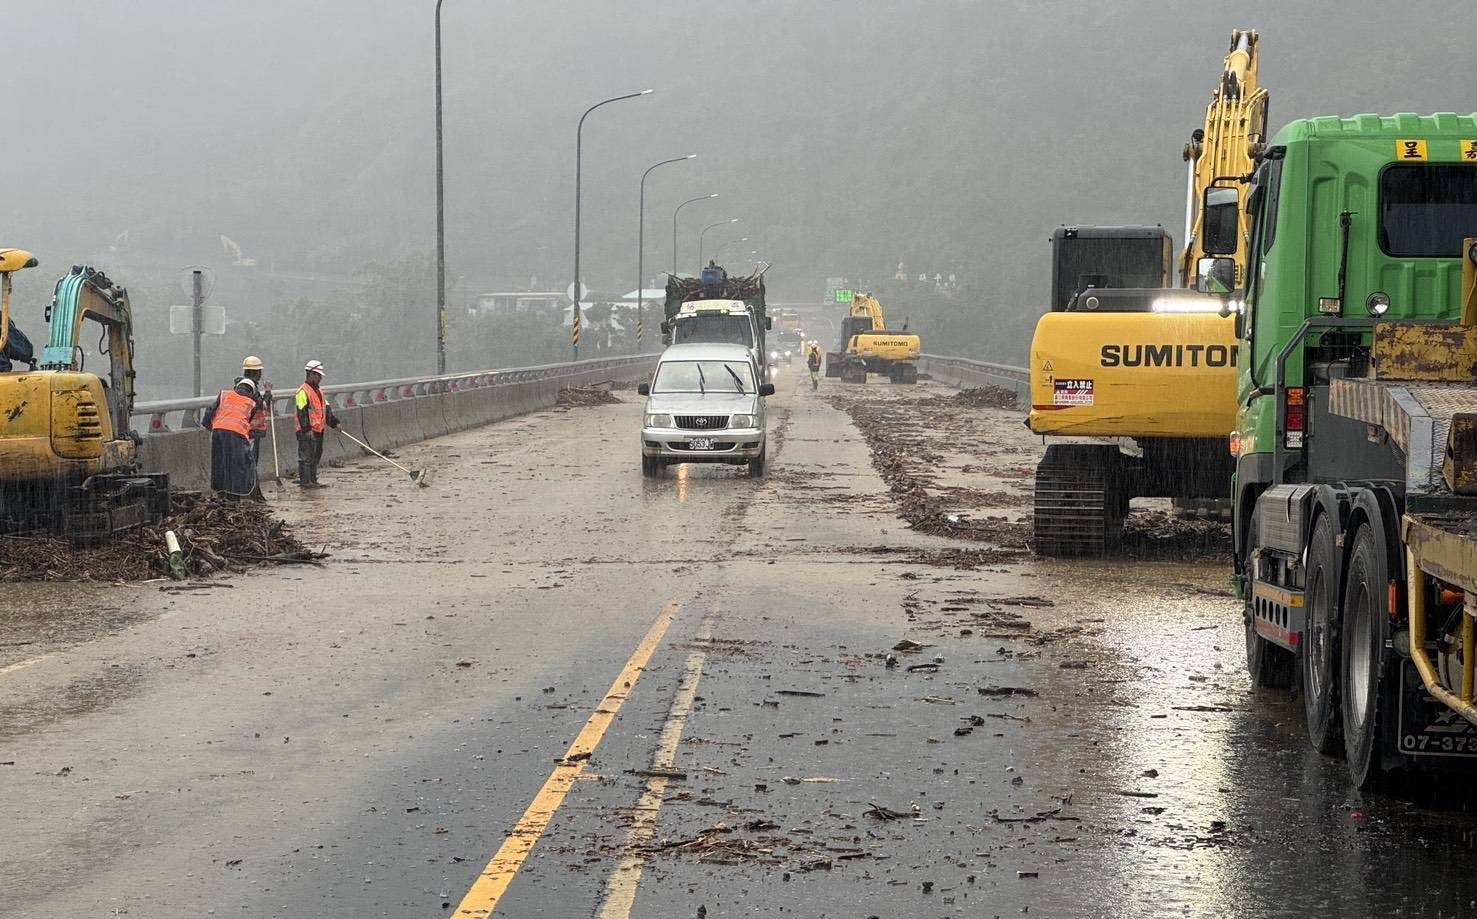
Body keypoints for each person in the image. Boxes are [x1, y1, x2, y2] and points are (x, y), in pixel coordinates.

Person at [201, 378, 261, 498]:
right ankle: (234, 495)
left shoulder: (224, 394)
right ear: (251, 391)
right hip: (237, 434)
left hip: (218, 431)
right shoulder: (251, 403)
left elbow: (210, 411)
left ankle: (221, 493)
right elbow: (248, 422)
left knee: (219, 463)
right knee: (237, 465)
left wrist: (208, 425)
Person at [295, 359, 339, 489]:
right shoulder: (303, 391)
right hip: (306, 431)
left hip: (319, 429)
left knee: (316, 455)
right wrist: (307, 429)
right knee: (306, 457)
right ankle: (305, 482)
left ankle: (313, 480)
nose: (320, 378)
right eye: (318, 375)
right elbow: (301, 412)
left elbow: (326, 410)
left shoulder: (320, 392)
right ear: (310, 374)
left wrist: (334, 423)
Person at [238, 355, 271, 497]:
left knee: (250, 462)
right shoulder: (246, 387)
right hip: (249, 432)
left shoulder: (248, 387)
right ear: (258, 372)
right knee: (249, 463)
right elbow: (261, 406)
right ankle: (252, 494)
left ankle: (253, 493)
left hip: (252, 431)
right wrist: (268, 392)